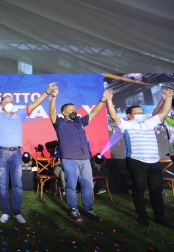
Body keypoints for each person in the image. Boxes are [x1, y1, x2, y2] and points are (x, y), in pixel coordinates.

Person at [0, 81, 55, 224]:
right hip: (1, 153)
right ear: (2, 105)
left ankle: (17, 212)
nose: (9, 103)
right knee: (3, 184)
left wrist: (47, 92)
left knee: (17, 184)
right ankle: (5, 211)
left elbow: (35, 103)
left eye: (11, 101)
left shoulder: (20, 114)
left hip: (16, 154)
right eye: (6, 102)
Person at [107, 87, 174, 228]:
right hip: (136, 161)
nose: (141, 114)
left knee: (156, 190)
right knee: (139, 188)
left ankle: (160, 217)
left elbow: (164, 112)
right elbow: (113, 116)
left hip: (155, 161)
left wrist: (168, 97)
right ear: (130, 116)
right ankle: (143, 217)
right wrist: (109, 99)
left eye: (142, 112)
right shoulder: (125, 125)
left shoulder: (149, 123)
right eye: (137, 113)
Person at [49, 85, 111, 221]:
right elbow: (52, 112)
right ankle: (73, 209)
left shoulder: (79, 121)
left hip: (85, 158)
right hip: (69, 159)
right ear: (64, 113)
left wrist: (102, 100)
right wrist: (54, 97)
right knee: (71, 185)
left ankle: (88, 209)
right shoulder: (59, 123)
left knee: (88, 185)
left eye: (74, 109)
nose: (74, 111)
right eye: (70, 110)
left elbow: (93, 113)